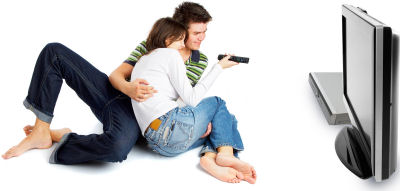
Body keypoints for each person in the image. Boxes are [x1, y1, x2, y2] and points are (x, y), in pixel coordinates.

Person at [1, 2, 211, 164]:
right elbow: (116, 75)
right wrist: (129, 88)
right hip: (114, 94)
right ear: (178, 31)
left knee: (117, 150)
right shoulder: (152, 46)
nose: (201, 38)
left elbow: (184, 97)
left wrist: (196, 119)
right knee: (54, 52)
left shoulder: (199, 60)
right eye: (196, 33)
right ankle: (40, 130)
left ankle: (64, 138)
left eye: (204, 32)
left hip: (138, 117)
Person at [131, 17, 257, 184]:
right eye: (180, 41)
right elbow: (191, 99)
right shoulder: (169, 54)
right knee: (218, 103)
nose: (183, 46)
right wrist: (219, 67)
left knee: (223, 123)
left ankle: (209, 159)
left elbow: (173, 102)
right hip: (170, 124)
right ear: (168, 39)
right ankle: (225, 154)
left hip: (159, 145)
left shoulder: (143, 60)